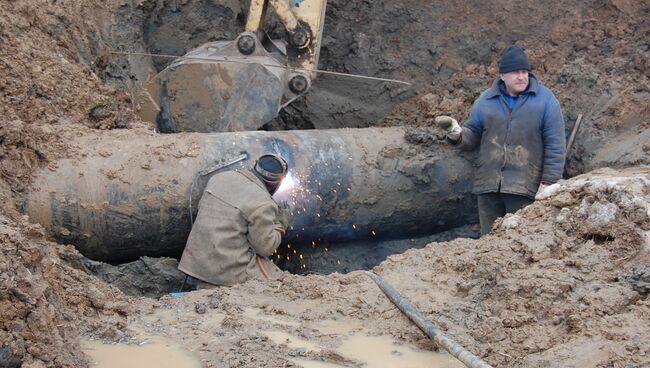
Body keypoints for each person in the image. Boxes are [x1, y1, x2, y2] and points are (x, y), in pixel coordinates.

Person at [437, 45, 565, 236]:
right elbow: (473, 133)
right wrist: (458, 135)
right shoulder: (486, 99)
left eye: (525, 72)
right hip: (488, 186)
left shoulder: (545, 101)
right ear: (502, 76)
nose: (522, 77)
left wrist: (549, 183)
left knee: (519, 240)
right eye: (515, 73)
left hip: (524, 188)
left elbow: (556, 144)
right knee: (489, 242)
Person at [178, 153, 291, 287]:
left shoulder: (220, 177)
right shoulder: (263, 203)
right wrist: (280, 224)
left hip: (195, 264)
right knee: (282, 284)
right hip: (225, 271)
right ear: (276, 184)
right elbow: (265, 248)